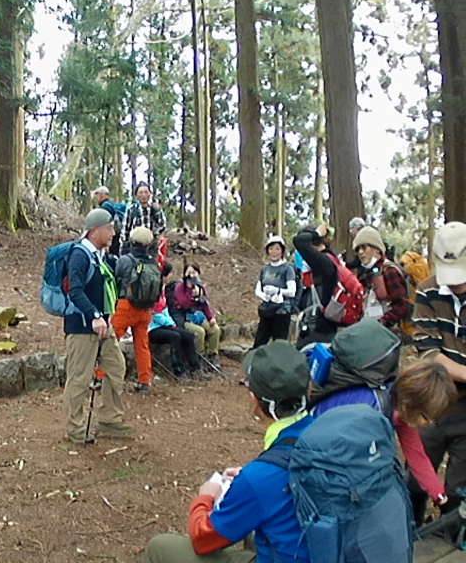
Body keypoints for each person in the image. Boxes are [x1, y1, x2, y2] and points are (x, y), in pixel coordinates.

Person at [143, 341, 313, 563]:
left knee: (161, 547)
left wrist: (204, 497)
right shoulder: (326, 430)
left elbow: (203, 539)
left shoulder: (260, 477)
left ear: (254, 401)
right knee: (256, 533)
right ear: (308, 389)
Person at [311, 359, 457, 513]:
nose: (429, 424)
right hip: (317, 449)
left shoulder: (399, 404)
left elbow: (417, 455)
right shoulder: (371, 411)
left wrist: (440, 497)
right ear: (408, 406)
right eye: (426, 418)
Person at [410, 221, 466, 522]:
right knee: (416, 477)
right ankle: (409, 528)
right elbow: (430, 354)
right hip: (434, 398)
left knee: (459, 487)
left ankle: (452, 536)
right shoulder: (428, 291)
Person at [63, 208, 131, 442]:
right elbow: (75, 290)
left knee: (116, 367)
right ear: (94, 231)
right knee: (79, 378)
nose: (113, 233)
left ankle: (110, 418)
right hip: (83, 327)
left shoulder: (98, 255)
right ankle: (75, 429)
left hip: (102, 325)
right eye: (109, 228)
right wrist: (93, 315)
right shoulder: (79, 255)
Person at [111, 226, 159, 393]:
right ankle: (144, 381)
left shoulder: (125, 260)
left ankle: (100, 376)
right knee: (142, 345)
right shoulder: (153, 262)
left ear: (132, 241)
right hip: (145, 310)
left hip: (126, 306)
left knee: (110, 342)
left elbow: (116, 277)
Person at [352, 227, 411, 330]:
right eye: (358, 249)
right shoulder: (366, 274)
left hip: (387, 335)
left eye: (364, 247)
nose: (360, 252)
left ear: (377, 249)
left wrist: (383, 323)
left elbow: (403, 306)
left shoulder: (389, 271)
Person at [293, 223, 342, 347]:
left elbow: (299, 241)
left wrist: (317, 233)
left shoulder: (322, 262)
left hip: (317, 326)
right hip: (322, 324)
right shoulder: (329, 259)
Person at [148, 290, 206, 383]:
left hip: (165, 325)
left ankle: (195, 368)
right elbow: (154, 314)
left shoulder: (162, 294)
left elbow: (165, 310)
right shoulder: (151, 295)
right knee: (175, 336)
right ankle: (179, 371)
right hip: (152, 328)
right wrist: (169, 323)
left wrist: (171, 323)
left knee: (188, 335)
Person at [173, 263, 222, 368]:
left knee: (215, 329)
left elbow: (205, 305)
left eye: (194, 272)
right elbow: (183, 304)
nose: (191, 275)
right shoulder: (180, 287)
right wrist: (190, 291)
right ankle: (200, 356)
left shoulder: (201, 287)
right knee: (199, 332)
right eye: (189, 273)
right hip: (185, 318)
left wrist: (211, 318)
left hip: (198, 316)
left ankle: (212, 355)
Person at [253, 236, 299, 348]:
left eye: (277, 249)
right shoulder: (265, 269)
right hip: (267, 310)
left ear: (282, 251)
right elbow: (258, 287)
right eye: (271, 249)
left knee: (279, 345)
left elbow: (292, 291)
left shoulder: (287, 268)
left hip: (282, 311)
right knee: (259, 342)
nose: (274, 252)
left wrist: (278, 291)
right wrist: (263, 295)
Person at [121, 183, 167, 254]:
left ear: (150, 194)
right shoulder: (131, 210)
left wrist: (152, 233)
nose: (143, 195)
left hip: (152, 247)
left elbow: (163, 225)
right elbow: (125, 230)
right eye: (141, 192)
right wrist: (123, 246)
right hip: (134, 248)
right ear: (136, 195)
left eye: (146, 192)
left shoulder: (156, 209)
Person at [92, 185, 124, 256]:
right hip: (116, 236)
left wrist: (107, 244)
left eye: (97, 195)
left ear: (101, 195)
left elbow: (106, 225)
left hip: (112, 239)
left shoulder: (105, 206)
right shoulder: (110, 204)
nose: (96, 198)